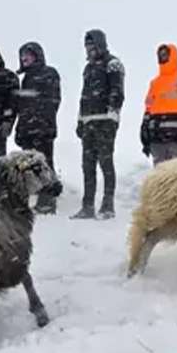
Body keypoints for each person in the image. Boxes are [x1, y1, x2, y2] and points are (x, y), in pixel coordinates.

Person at [73, 29, 124, 220]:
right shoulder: (88, 68)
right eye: (87, 46)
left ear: (101, 44)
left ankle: (108, 206)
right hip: (88, 122)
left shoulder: (113, 64)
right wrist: (80, 120)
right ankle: (87, 206)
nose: (89, 49)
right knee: (87, 165)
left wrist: (112, 116)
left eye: (92, 45)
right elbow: (84, 96)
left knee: (105, 162)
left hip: (105, 121)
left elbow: (117, 92)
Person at [14, 41, 62, 214]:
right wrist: (20, 129)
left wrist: (41, 122)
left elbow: (52, 101)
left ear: (37, 56)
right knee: (30, 166)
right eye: (22, 55)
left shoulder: (49, 73)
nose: (24, 58)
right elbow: (23, 107)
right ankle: (38, 199)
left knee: (45, 164)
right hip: (28, 129)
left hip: (43, 129)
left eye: (28, 54)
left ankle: (48, 201)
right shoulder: (26, 78)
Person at [140, 43, 177, 166]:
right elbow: (148, 108)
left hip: (176, 138)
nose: (162, 57)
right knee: (160, 175)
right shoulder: (155, 83)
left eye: (165, 54)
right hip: (157, 138)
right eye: (160, 55)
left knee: (176, 173)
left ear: (173, 56)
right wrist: (144, 129)